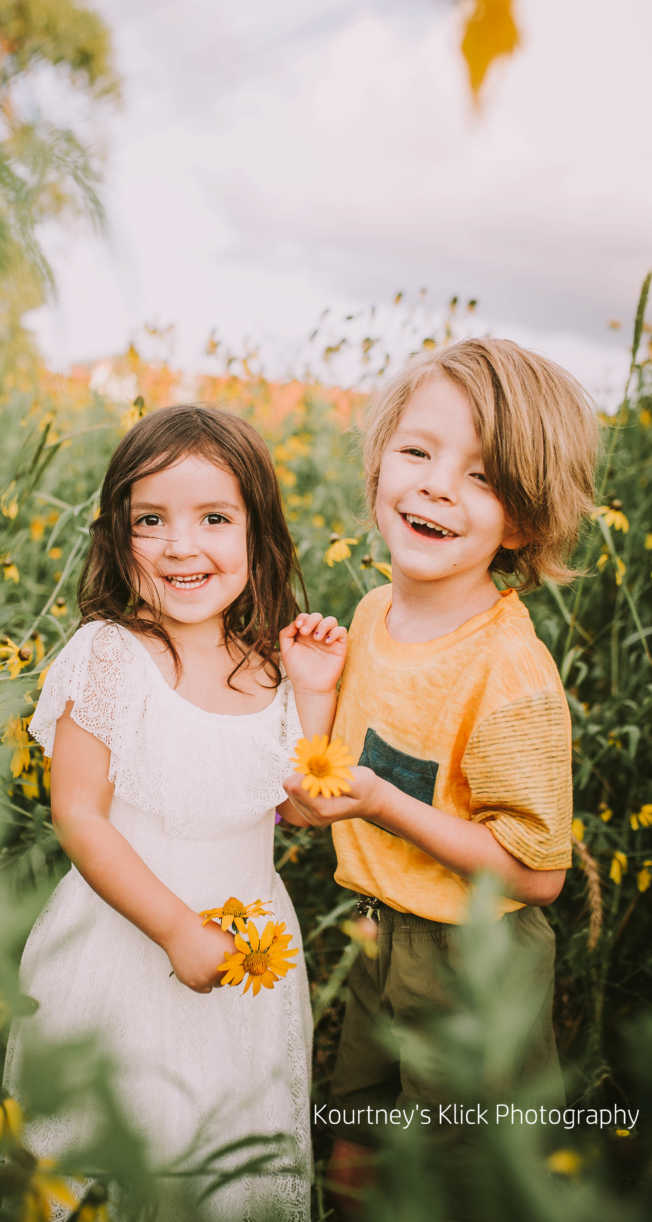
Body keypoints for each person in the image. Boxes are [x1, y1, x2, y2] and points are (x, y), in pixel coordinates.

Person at [279, 338, 598, 1218]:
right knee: (356, 1140)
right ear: (380, 460)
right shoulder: (375, 614)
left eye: (482, 477)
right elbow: (322, 799)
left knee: (452, 1178)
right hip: (382, 937)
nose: (436, 486)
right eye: (418, 452)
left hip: (474, 962)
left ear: (524, 522)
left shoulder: (510, 675)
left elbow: (539, 872)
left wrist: (386, 805)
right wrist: (313, 698)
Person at [4, 405, 339, 1221]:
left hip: (249, 956)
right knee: (99, 1155)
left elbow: (305, 809)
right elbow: (80, 814)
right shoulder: (111, 654)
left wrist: (316, 691)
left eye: (214, 519)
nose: (181, 546)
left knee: (218, 1157)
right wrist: (175, 930)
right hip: (121, 951)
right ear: (119, 538)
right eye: (150, 520)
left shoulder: (269, 668)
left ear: (259, 539)